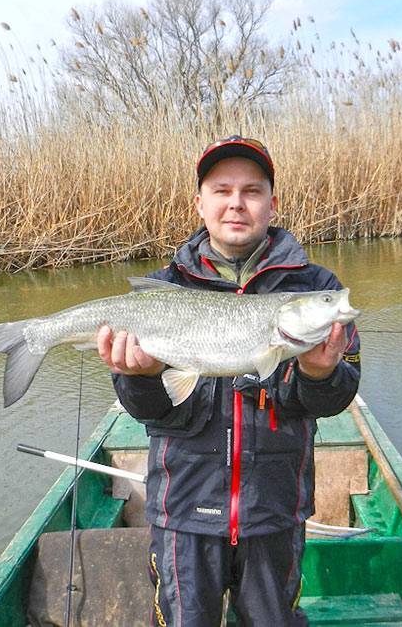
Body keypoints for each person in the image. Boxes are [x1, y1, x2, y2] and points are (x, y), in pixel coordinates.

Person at [96, 135, 361, 626]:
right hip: (183, 510)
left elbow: (338, 396)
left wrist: (320, 373)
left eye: (252, 190)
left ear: (272, 204)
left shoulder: (318, 288)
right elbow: (147, 409)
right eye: (221, 190)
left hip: (275, 510)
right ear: (200, 203)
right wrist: (142, 377)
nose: (236, 203)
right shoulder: (165, 288)